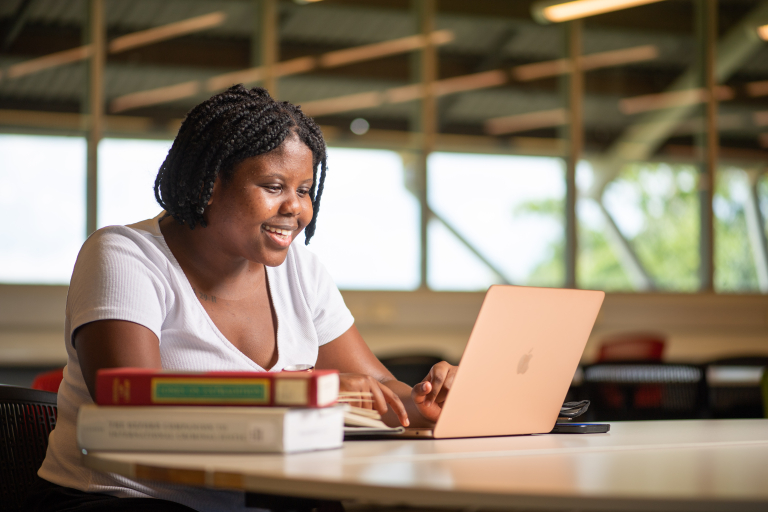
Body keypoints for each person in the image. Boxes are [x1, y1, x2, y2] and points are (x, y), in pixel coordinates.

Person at [31, 85, 457, 512]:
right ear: (209, 183)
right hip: (128, 498)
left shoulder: (302, 271)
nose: (295, 208)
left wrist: (427, 400)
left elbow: (383, 391)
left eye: (304, 190)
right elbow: (128, 398)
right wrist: (297, 392)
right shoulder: (126, 254)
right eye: (274, 186)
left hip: (260, 496)